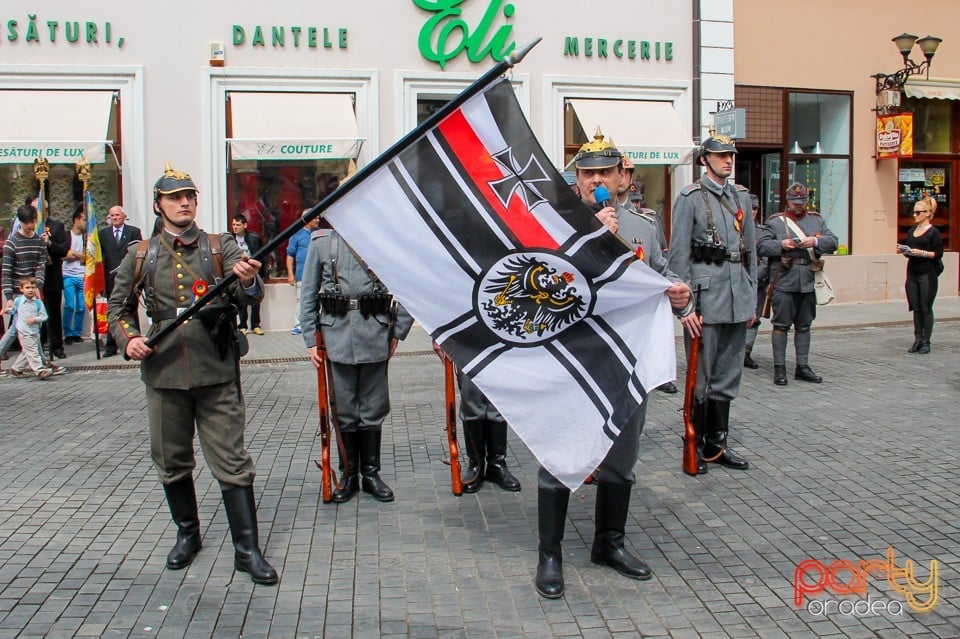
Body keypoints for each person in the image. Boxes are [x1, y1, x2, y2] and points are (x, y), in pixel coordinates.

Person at [534, 133, 692, 599]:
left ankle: (609, 543)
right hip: (574, 359)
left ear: (622, 177)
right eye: (587, 173)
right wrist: (589, 237)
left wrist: (679, 294)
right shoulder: (554, 224)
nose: (597, 180)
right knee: (560, 455)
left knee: (622, 457)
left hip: (628, 359)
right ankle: (550, 553)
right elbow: (542, 282)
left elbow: (660, 273)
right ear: (575, 180)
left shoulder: (643, 225)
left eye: (605, 172)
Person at [107, 163, 277, 585]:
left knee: (232, 462)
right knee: (172, 460)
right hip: (164, 372)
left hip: (215, 370)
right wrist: (128, 339)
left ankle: (247, 550)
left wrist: (250, 281)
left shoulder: (221, 247)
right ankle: (188, 534)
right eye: (175, 197)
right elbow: (117, 308)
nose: (184, 203)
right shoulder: (140, 254)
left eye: (190, 196)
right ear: (158, 205)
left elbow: (246, 290)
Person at [300, 224, 414, 503]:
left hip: (375, 332)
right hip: (336, 333)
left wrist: (398, 329)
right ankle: (349, 473)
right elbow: (309, 293)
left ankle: (371, 474)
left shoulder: (386, 238)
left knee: (373, 407)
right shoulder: (322, 242)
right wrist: (311, 338)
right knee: (344, 408)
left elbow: (410, 287)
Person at [667, 134, 756, 475]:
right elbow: (678, 257)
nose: (727, 161)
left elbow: (750, 252)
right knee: (700, 376)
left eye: (730, 155)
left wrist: (750, 296)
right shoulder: (690, 197)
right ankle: (695, 439)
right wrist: (685, 308)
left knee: (729, 373)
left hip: (737, 298)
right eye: (720, 156)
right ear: (705, 160)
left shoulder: (741, 197)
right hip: (706, 299)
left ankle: (717, 444)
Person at [756, 182, 838, 385]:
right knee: (781, 325)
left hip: (808, 280)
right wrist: (781, 245)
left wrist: (815, 242)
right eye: (794, 202)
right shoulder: (775, 222)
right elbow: (762, 246)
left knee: (804, 326)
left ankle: (802, 366)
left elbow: (833, 241)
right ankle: (780, 369)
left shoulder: (816, 220)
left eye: (801, 202)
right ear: (788, 201)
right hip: (784, 279)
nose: (798, 206)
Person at [616, 151, 679, 394]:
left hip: (639, 320)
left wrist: (680, 291)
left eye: (624, 172)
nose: (620, 178)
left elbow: (660, 265)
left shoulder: (646, 221)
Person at [433, 343, 522, 494]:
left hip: (499, 340)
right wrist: (438, 337)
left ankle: (497, 464)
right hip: (466, 341)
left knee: (498, 403)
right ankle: (476, 465)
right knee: (472, 400)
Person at [0, 205, 64, 376]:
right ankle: (40, 362)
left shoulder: (38, 241)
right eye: (27, 223)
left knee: (26, 328)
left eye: (33, 222)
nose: (30, 226)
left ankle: (23, 366)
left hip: (33, 290)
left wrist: (38, 286)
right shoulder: (11, 244)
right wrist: (9, 297)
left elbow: (41, 265)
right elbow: (6, 272)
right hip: (16, 291)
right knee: (19, 328)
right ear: (20, 222)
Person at [898, 195, 943, 354]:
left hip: (927, 273)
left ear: (928, 213)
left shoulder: (933, 232)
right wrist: (905, 251)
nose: (915, 215)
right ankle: (917, 339)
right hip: (912, 271)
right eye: (914, 212)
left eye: (918, 212)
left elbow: (938, 253)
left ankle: (926, 341)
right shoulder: (911, 231)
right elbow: (909, 251)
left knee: (925, 307)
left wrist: (922, 253)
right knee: (915, 307)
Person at [98, 206, 142, 356]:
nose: (115, 217)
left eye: (117, 215)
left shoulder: (134, 232)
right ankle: (111, 346)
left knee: (130, 308)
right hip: (110, 279)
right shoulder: (103, 234)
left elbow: (139, 254)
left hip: (129, 279)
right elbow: (101, 258)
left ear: (124, 216)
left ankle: (134, 340)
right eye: (112, 216)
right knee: (113, 309)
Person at [29, 195, 69, 361]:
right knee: (34, 311)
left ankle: (57, 346)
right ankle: (38, 345)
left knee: (53, 312)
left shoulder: (56, 225)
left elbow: (64, 250)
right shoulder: (27, 226)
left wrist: (50, 243)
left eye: (41, 209)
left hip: (52, 274)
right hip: (33, 277)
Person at [6, 276, 53, 379]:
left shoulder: (38, 303)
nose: (30, 290)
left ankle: (16, 369)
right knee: (32, 351)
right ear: (21, 289)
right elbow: (13, 311)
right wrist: (7, 310)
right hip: (24, 331)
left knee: (28, 351)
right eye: (27, 287)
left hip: (35, 331)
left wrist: (35, 319)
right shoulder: (18, 301)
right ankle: (40, 371)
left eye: (32, 287)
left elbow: (44, 316)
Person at [231, 214, 265, 335]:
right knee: (241, 301)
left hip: (253, 272)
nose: (235, 227)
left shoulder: (254, 238)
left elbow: (262, 256)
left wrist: (263, 273)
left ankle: (256, 325)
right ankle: (243, 325)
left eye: (238, 225)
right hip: (238, 273)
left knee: (255, 300)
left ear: (245, 225)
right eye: (234, 225)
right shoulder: (229, 239)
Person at [743, 194, 766, 369]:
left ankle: (746, 352)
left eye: (755, 208)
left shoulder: (762, 232)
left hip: (756, 280)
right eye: (749, 208)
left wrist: (753, 278)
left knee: (754, 318)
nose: (752, 211)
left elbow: (766, 260)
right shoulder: (735, 228)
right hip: (736, 281)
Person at [286, 213, 319, 335]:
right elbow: (290, 256)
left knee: (319, 301)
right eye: (315, 217)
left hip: (319, 274)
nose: (318, 219)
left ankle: (317, 326)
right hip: (302, 274)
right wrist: (290, 274)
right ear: (307, 219)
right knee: (301, 301)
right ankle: (298, 326)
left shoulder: (320, 233)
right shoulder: (297, 235)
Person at [62, 206, 87, 345]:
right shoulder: (67, 235)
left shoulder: (86, 237)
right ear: (76, 220)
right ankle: (68, 333)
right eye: (83, 219)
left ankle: (77, 332)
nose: (85, 223)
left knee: (81, 306)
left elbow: (87, 257)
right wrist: (71, 254)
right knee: (70, 305)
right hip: (68, 275)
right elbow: (63, 254)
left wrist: (75, 254)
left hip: (82, 275)